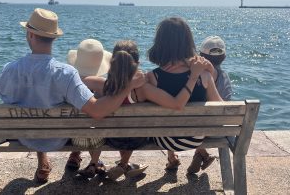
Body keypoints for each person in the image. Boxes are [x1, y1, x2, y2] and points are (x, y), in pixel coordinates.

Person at [0, 8, 146, 183]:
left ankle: (43, 161)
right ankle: (86, 158)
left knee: (37, 102)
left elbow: (6, 98)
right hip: (57, 140)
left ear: (30, 34)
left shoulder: (9, 70)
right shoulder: (66, 74)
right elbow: (97, 111)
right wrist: (127, 85)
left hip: (24, 137)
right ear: (54, 37)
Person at [76, 40, 212, 180]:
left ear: (112, 63)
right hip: (137, 139)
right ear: (137, 64)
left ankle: (106, 163)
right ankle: (126, 163)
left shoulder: (101, 85)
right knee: (149, 124)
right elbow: (175, 103)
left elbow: (75, 79)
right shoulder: (144, 89)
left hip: (111, 139)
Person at [146, 17, 223, 172]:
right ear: (189, 42)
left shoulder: (153, 78)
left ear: (160, 44)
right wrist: (211, 73)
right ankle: (189, 156)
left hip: (165, 140)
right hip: (196, 139)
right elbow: (221, 107)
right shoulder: (204, 76)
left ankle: (171, 157)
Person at [186, 35, 232, 174]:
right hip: (217, 132)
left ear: (201, 55)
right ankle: (201, 154)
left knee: (194, 120)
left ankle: (201, 154)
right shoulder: (225, 78)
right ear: (223, 57)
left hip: (189, 130)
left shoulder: (195, 76)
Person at [66, 38, 112, 176]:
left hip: (70, 137)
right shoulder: (104, 86)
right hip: (97, 138)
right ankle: (95, 161)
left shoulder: (67, 82)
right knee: (95, 126)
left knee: (78, 123)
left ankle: (75, 154)